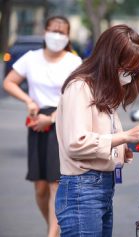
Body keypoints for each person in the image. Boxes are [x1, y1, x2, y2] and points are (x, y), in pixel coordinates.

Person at [54, 24, 139, 236]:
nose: (130, 76)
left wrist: (126, 145)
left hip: (101, 187)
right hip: (82, 189)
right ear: (109, 60)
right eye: (127, 69)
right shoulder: (80, 87)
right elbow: (77, 143)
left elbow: (104, 136)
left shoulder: (103, 91)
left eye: (135, 71)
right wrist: (125, 135)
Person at [3, 16, 82, 237]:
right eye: (53, 30)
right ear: (44, 31)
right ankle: (55, 228)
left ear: (67, 36)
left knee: (55, 182)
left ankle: (52, 234)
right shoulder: (31, 58)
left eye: (62, 32)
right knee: (39, 186)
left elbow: (77, 96)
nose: (57, 35)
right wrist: (29, 101)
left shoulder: (73, 62)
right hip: (37, 121)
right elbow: (9, 82)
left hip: (62, 120)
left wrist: (54, 117)